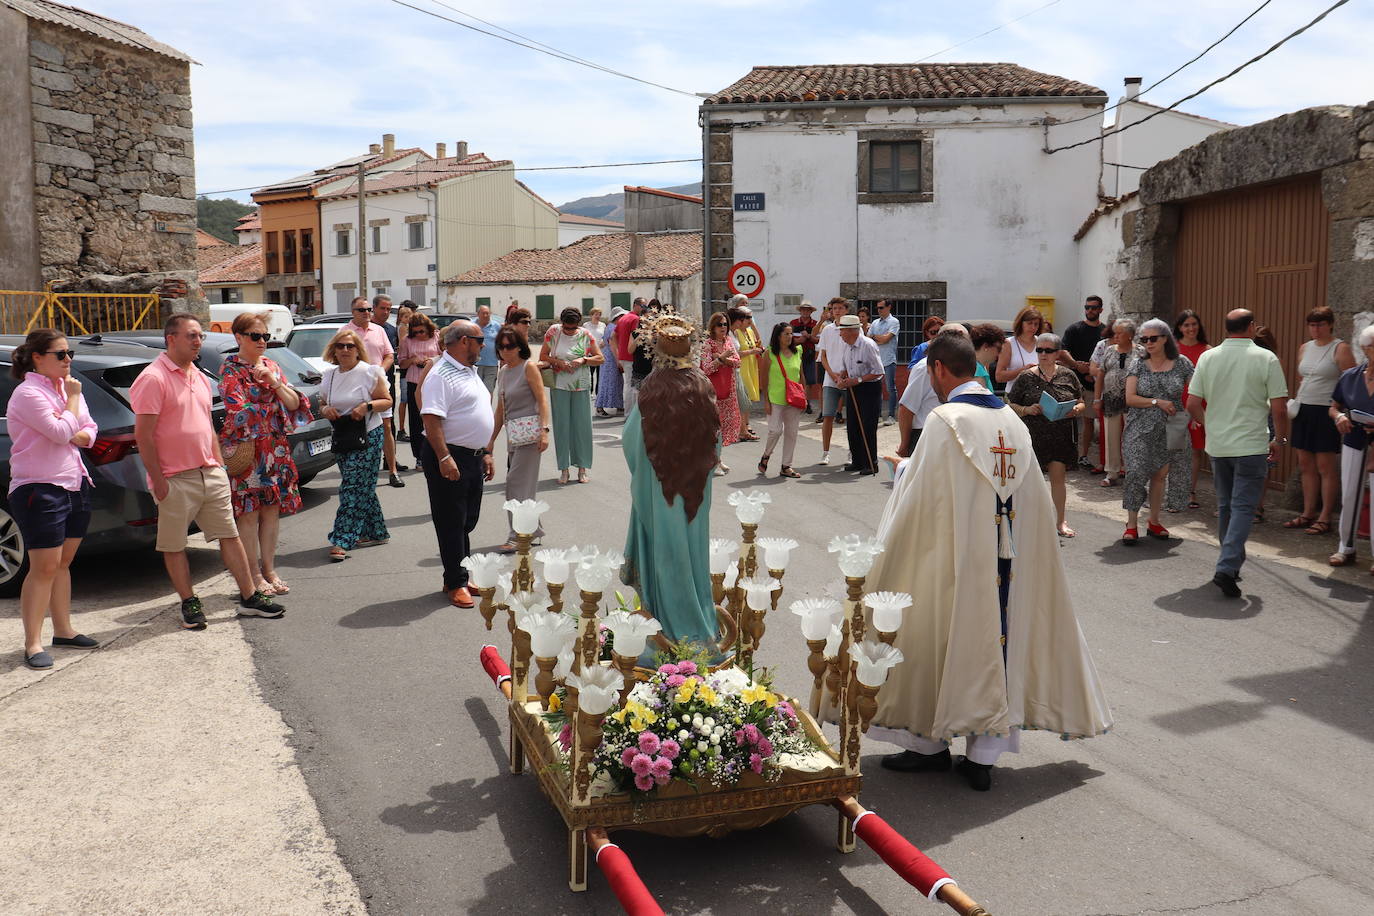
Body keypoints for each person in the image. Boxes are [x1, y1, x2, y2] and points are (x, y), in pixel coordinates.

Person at [841, 333, 1111, 791]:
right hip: (1010, 559)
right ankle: (984, 755)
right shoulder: (1011, 419)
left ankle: (929, 746)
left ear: (938, 370)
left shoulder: (946, 420)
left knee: (944, 634)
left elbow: (923, 493)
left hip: (959, 556)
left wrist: (900, 467)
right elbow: (1030, 497)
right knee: (1000, 635)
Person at [131, 314, 286, 629]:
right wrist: (158, 481)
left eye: (199, 335)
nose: (198, 341)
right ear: (171, 338)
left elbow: (206, 426)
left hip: (209, 472)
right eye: (191, 336)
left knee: (229, 536)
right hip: (175, 478)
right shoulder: (153, 377)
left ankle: (249, 597)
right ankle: (189, 602)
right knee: (175, 545)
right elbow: (143, 436)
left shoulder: (198, 376)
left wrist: (218, 464)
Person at [622, 308, 720, 646]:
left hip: (658, 489)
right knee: (692, 553)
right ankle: (699, 622)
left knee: (665, 550)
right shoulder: (702, 383)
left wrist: (644, 475)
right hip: (695, 490)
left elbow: (631, 440)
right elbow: (716, 440)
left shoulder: (652, 386)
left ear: (657, 348)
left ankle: (665, 624)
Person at [7, 329, 99, 668]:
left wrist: (74, 425)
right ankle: (32, 643)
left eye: (69, 353)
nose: (68, 360)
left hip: (74, 482)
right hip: (39, 488)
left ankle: (64, 630)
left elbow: (89, 430)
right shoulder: (28, 393)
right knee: (43, 566)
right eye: (60, 354)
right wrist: (72, 407)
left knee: (63, 562)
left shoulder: (65, 388)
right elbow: (61, 432)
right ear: (38, 357)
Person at [1186, 309, 1290, 598]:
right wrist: (1279, 440)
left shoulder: (1208, 357)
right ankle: (1227, 566)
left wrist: (1211, 424)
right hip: (1252, 444)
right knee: (1244, 507)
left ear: (1227, 328)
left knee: (1226, 506)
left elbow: (1193, 403)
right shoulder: (1267, 358)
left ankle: (1230, 564)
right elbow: (1279, 408)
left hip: (1219, 445)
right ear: (1252, 327)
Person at [219, 311, 311, 596]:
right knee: (248, 514)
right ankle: (253, 574)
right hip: (248, 451)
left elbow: (296, 403)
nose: (262, 341)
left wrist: (274, 383)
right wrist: (274, 405)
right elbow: (238, 413)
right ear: (239, 337)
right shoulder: (231, 369)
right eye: (255, 336)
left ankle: (269, 568)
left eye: (266, 337)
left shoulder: (272, 365)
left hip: (275, 448)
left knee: (272, 510)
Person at [420, 321, 496, 609]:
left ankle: (458, 574)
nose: (484, 344)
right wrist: (443, 456)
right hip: (451, 455)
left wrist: (486, 451)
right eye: (480, 340)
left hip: (472, 456)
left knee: (466, 520)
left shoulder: (468, 370)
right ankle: (455, 582)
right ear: (464, 341)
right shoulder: (441, 373)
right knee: (451, 521)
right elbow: (431, 418)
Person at [319, 327, 392, 562]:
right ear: (334, 350)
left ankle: (342, 539)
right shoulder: (329, 375)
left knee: (352, 488)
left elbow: (386, 400)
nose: (345, 350)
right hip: (343, 436)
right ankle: (377, 532)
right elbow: (322, 401)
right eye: (340, 346)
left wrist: (367, 406)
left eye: (350, 346)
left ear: (358, 350)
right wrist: (325, 409)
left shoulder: (368, 372)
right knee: (362, 486)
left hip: (368, 436)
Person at [1119, 319, 1193, 544]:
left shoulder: (1182, 363)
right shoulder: (1138, 363)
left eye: (1153, 338)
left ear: (1165, 339)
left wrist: (1196, 415)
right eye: (1143, 339)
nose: (1148, 343)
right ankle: (1131, 524)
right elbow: (1130, 398)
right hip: (1141, 424)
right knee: (1135, 471)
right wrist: (1156, 402)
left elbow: (1200, 388)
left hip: (1174, 424)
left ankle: (1154, 520)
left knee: (1161, 475)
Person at [1007, 333, 1085, 538]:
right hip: (1033, 435)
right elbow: (1010, 403)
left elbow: (1081, 400)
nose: (1043, 354)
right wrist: (1027, 410)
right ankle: (1029, 523)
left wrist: (1076, 409)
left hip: (1060, 436)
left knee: (1058, 479)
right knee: (1030, 482)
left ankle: (1060, 521)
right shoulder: (1026, 377)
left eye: (1048, 350)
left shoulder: (1068, 375)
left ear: (1057, 353)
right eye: (1039, 350)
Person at [1285, 306, 1355, 536]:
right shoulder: (1304, 347)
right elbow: (1303, 377)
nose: (1316, 329)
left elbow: (1350, 383)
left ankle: (1325, 516)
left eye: (1321, 324)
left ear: (1330, 324)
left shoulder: (1341, 348)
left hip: (1326, 411)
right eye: (1312, 324)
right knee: (1305, 464)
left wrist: (1340, 411)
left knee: (1325, 467)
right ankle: (1307, 512)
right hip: (1304, 409)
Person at [488, 325, 550, 552]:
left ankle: (517, 535)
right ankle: (532, 530)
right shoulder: (503, 372)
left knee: (515, 485)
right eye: (501, 347)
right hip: (513, 435)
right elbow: (500, 410)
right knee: (523, 486)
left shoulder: (528, 367)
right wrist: (491, 440)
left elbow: (542, 400)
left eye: (510, 346)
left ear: (520, 347)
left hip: (531, 435)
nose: (505, 351)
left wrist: (544, 430)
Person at [1329, 325, 1374, 569]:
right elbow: (1333, 406)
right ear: (1366, 349)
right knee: (1349, 494)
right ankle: (1345, 547)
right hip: (1354, 438)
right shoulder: (1350, 376)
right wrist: (1339, 417)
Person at [543, 307, 603, 484]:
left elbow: (600, 358)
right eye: (566, 328)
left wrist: (583, 360)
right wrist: (558, 362)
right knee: (562, 428)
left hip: (581, 386)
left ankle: (582, 468)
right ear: (561, 323)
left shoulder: (585, 334)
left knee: (582, 428)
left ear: (577, 324)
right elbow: (543, 356)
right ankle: (564, 469)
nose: (569, 331)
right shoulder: (553, 331)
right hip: (559, 385)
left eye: (572, 328)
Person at [350, 296, 403, 488]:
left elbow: (390, 354)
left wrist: (379, 370)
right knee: (359, 427)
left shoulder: (379, 330)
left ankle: (392, 470)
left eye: (367, 310)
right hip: (356, 388)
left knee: (386, 426)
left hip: (379, 385)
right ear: (353, 313)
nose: (366, 314)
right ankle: (360, 471)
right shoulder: (345, 332)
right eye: (361, 310)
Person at [897, 324, 970, 457]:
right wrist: (904, 444)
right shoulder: (923, 368)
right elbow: (906, 408)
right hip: (925, 433)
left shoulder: (969, 366)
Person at [1090, 318, 1141, 487]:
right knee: (1111, 437)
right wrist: (1097, 399)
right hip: (1111, 400)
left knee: (1132, 437)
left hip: (1132, 400)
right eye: (1115, 332)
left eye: (1120, 333)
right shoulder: (1110, 351)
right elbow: (1100, 376)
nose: (1116, 336)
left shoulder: (1140, 352)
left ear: (1130, 335)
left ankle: (1132, 471)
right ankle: (1111, 472)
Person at [833, 314, 884, 475]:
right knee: (853, 426)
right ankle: (857, 461)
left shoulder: (868, 345)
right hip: (853, 388)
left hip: (869, 388)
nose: (840, 334)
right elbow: (845, 368)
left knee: (868, 426)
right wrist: (842, 377)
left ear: (852, 331)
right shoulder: (847, 346)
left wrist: (857, 380)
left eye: (842, 331)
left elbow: (878, 372)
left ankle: (871, 463)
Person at [1062, 296, 1106, 469]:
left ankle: (1095, 457)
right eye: (1087, 307)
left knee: (1096, 421)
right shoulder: (1074, 329)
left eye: (1094, 308)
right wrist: (1077, 366)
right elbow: (1063, 350)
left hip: (1097, 383)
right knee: (1080, 420)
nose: (1090, 310)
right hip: (1075, 383)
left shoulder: (1104, 331)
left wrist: (1092, 371)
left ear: (1101, 310)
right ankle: (1081, 455)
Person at [757, 322, 805, 479]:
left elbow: (801, 375)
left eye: (791, 334)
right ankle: (766, 455)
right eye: (786, 334)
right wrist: (766, 401)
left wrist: (804, 396)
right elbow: (763, 377)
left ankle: (786, 466)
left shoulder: (798, 351)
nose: (790, 337)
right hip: (775, 398)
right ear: (778, 336)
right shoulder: (770, 353)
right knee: (775, 430)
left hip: (794, 400)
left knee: (792, 433)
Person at [1174, 310, 1211, 509]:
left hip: (1199, 406)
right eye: (1186, 325)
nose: (1190, 328)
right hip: (1176, 407)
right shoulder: (1172, 350)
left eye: (1194, 324)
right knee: (1176, 450)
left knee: (1196, 451)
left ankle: (1190, 491)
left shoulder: (1208, 350)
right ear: (1179, 328)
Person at [700, 311, 742, 475]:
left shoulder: (728, 341)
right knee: (713, 427)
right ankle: (713, 462)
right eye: (719, 324)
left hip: (728, 390)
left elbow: (738, 362)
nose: (723, 327)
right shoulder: (707, 344)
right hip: (712, 392)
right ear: (713, 327)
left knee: (723, 426)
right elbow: (706, 368)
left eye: (725, 324)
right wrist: (721, 358)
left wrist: (723, 358)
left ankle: (718, 458)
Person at [398, 312, 440, 463]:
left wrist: (431, 360)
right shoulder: (407, 341)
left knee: (435, 418)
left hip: (433, 382)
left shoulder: (436, 336)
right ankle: (419, 456)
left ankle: (437, 452)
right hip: (414, 382)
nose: (418, 335)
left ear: (428, 328)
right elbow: (401, 363)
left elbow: (445, 357)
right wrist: (412, 360)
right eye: (415, 332)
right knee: (416, 421)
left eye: (421, 331)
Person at [816, 296, 851, 463]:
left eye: (840, 308)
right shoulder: (827, 330)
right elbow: (822, 355)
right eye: (834, 308)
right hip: (830, 379)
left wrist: (844, 373)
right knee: (828, 416)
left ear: (846, 310)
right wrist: (832, 374)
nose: (836, 311)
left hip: (849, 378)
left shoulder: (852, 327)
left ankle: (852, 451)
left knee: (851, 418)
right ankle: (825, 452)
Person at [729, 300, 763, 442]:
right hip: (741, 368)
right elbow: (737, 352)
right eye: (746, 318)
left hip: (750, 365)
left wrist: (753, 325)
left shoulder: (748, 330)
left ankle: (744, 427)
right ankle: (741, 429)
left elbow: (758, 340)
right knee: (742, 399)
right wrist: (752, 351)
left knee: (746, 399)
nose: (749, 320)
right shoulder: (734, 332)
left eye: (750, 317)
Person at [868, 299, 901, 425]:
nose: (879, 310)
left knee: (890, 388)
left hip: (888, 359)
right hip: (876, 360)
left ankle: (892, 415)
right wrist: (879, 338)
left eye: (881, 307)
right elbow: (868, 339)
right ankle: (878, 414)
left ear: (889, 307)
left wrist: (875, 337)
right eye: (878, 308)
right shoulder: (875, 322)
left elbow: (887, 339)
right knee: (877, 389)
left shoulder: (894, 322)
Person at [994, 306, 1043, 385]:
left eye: (1036, 324)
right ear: (1021, 323)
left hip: (1037, 394)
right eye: (1029, 323)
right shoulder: (1009, 343)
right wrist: (1023, 371)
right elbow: (999, 377)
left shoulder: (1041, 342)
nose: (1033, 327)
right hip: (1014, 395)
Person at [789, 301, 819, 413]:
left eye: (807, 309)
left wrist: (809, 337)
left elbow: (819, 340)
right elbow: (788, 339)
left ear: (811, 311)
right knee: (797, 379)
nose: (805, 311)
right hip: (794, 354)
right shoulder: (793, 323)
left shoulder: (816, 324)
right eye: (803, 309)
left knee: (810, 380)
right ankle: (799, 401)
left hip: (809, 354)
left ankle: (807, 402)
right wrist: (799, 340)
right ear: (800, 311)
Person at [615, 298, 645, 412]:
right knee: (632, 387)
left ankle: (628, 412)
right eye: (643, 306)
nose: (644, 308)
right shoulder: (635, 319)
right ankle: (630, 413)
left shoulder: (623, 318)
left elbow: (613, 336)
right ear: (636, 305)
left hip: (623, 356)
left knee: (628, 385)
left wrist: (617, 353)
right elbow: (636, 336)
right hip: (630, 356)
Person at [595, 306, 625, 418]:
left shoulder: (611, 326)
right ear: (618, 317)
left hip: (609, 355)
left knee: (616, 381)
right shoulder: (613, 328)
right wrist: (618, 360)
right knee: (608, 382)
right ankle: (599, 407)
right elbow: (613, 344)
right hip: (611, 357)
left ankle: (618, 405)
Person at [394, 302, 415, 442]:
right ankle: (401, 429)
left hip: (408, 367)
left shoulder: (406, 327)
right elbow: (403, 345)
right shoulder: (403, 328)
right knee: (405, 400)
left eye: (410, 316)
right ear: (401, 317)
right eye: (405, 316)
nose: (408, 319)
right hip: (405, 367)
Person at [474, 303, 501, 393]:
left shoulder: (496, 326)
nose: (486, 315)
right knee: (475, 391)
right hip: (474, 364)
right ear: (478, 314)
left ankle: (487, 407)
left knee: (488, 391)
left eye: (487, 313)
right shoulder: (471, 325)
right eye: (483, 313)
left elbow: (501, 343)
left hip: (492, 364)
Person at [969, 322, 1005, 391]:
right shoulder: (977, 371)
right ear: (986, 346)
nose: (1000, 353)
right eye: (999, 348)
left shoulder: (979, 367)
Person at [583, 307, 606, 393]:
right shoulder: (586, 325)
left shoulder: (603, 325)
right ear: (591, 315)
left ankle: (598, 392)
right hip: (589, 353)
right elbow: (583, 337)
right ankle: (590, 391)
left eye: (599, 315)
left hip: (600, 352)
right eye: (596, 314)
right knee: (590, 374)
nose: (598, 316)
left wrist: (604, 341)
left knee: (600, 374)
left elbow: (605, 336)